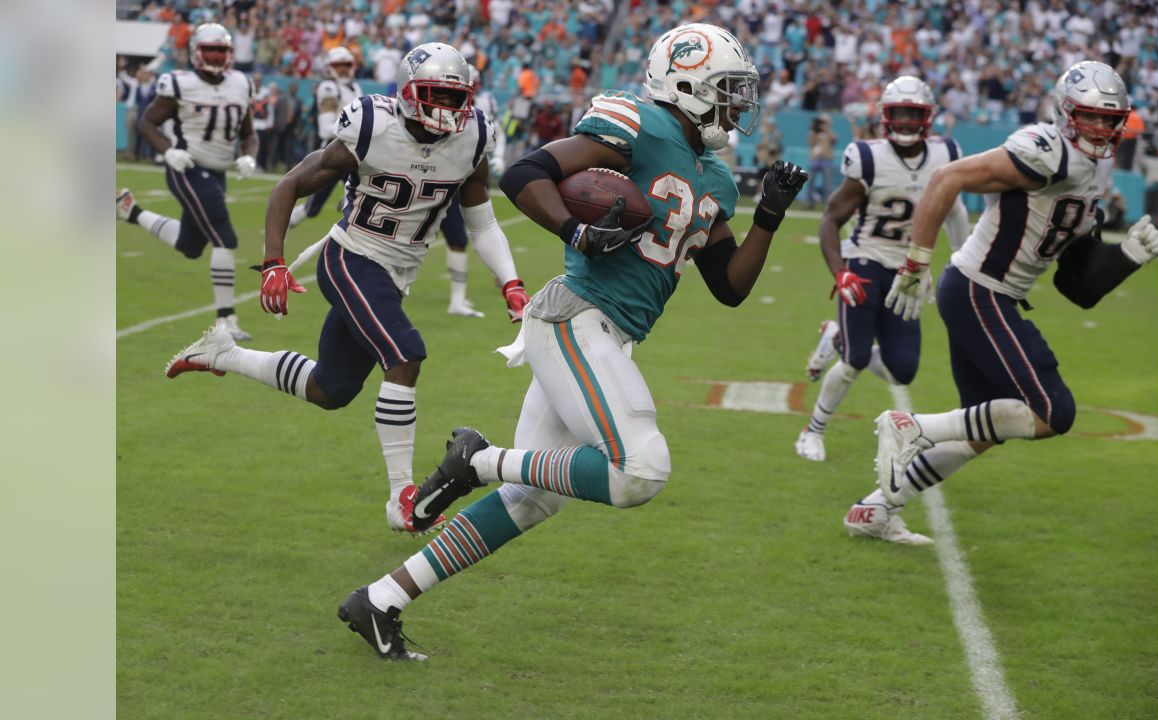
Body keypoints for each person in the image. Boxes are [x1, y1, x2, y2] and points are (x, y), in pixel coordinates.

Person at [336, 23, 807, 661]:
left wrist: (770, 219)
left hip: (608, 333)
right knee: (641, 470)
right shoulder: (635, 122)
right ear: (689, 83)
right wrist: (575, 232)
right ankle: (476, 461)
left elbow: (728, 285)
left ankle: (381, 600)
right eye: (728, 91)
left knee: (534, 500)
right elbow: (527, 173)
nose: (737, 106)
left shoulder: (716, 178)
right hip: (575, 318)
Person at [162, 43, 532, 537]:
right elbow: (288, 186)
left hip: (397, 273)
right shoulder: (371, 126)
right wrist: (273, 261)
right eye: (435, 95)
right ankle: (403, 499)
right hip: (351, 256)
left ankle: (222, 353)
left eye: (454, 97)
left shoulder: (474, 137)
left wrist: (510, 282)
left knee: (330, 389)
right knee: (406, 355)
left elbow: (481, 222)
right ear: (407, 93)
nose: (446, 109)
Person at [867, 61, 1158, 539]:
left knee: (984, 431)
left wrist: (1127, 257)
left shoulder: (1091, 174)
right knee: (1053, 411)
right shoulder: (1047, 151)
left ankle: (877, 508)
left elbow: (1077, 288)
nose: (1102, 127)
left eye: (1111, 119)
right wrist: (915, 262)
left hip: (984, 294)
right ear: (1066, 113)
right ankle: (909, 425)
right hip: (981, 291)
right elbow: (946, 179)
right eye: (1091, 116)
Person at [795, 76, 969, 545]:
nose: (909, 122)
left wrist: (963, 261)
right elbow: (832, 217)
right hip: (866, 263)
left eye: (916, 114)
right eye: (902, 113)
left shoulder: (946, 155)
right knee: (853, 362)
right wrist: (840, 273)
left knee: (902, 371)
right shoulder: (867, 156)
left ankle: (836, 336)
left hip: (910, 273)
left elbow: (952, 210)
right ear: (886, 117)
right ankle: (813, 431)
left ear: (928, 118)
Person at [115, 23, 258, 341]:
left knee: (191, 246)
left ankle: (131, 211)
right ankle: (226, 319)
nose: (217, 57)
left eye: (221, 51)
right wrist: (168, 152)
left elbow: (249, 133)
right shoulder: (179, 83)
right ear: (197, 52)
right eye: (211, 50)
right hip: (187, 167)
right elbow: (147, 122)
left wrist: (249, 155)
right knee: (225, 237)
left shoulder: (240, 83)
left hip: (217, 171)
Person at [440, 64, 510, 319]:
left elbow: (497, 131)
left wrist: (498, 156)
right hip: (437, 174)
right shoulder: (442, 102)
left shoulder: (484, 105)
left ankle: (462, 298)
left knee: (470, 231)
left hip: (466, 173)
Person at [288, 47, 365, 229]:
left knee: (367, 194)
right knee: (312, 209)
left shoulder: (355, 87)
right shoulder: (329, 87)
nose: (344, 69)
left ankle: (351, 199)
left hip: (354, 152)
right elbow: (326, 130)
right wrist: (356, 128)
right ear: (329, 67)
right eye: (338, 65)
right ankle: (283, 223)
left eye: (347, 64)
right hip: (334, 152)